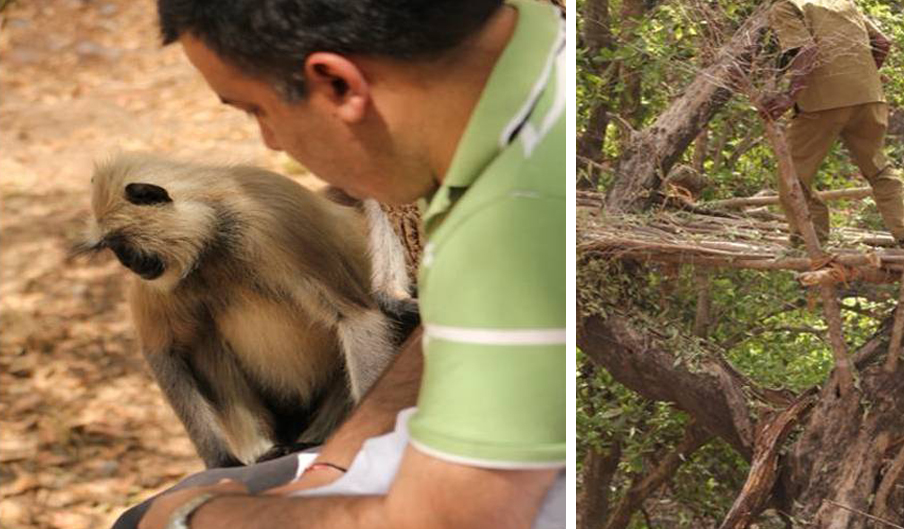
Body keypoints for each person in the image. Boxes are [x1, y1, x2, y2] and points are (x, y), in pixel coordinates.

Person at [117, 0, 567, 528]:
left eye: (255, 110)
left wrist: (194, 519)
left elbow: (446, 520)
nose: (270, 141)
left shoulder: (519, 215)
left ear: (336, 84)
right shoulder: (519, 79)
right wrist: (336, 461)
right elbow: (462, 326)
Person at [762, 0, 904, 246]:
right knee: (879, 167)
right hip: (868, 96)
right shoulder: (842, 2)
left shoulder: (786, 6)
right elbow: (882, 43)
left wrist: (789, 96)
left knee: (793, 175)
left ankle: (812, 240)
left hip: (821, 103)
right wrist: (860, 79)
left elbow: (806, 51)